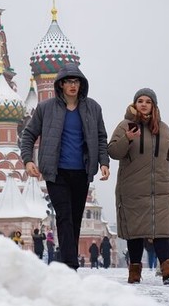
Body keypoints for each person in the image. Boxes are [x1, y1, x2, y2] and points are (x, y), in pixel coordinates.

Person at [19, 63, 110, 270]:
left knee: (75, 218)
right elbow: (28, 134)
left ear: (81, 84)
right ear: (60, 85)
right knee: (64, 215)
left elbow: (101, 137)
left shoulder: (93, 108)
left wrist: (104, 162)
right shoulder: (46, 108)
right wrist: (28, 160)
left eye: (76, 81)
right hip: (55, 172)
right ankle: (70, 264)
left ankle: (68, 259)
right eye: (68, 81)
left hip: (82, 171)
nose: (72, 85)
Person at [107, 88, 169, 285]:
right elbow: (113, 152)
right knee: (135, 230)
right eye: (140, 101)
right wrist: (127, 138)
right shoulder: (125, 125)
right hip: (133, 187)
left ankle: (167, 268)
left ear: (154, 106)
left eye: (148, 101)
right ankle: (134, 271)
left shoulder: (164, 128)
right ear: (135, 104)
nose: (144, 104)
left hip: (160, 187)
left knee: (161, 228)